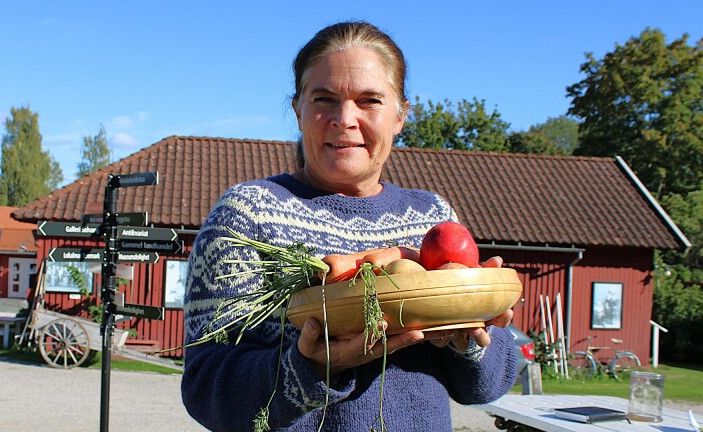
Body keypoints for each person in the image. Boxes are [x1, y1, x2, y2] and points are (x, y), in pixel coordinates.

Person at [181, 21, 516, 431]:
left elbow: (486, 387)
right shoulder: (249, 214)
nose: (345, 119)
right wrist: (311, 369)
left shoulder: (432, 217)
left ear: (400, 115)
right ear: (297, 110)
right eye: (324, 98)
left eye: (369, 100)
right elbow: (206, 387)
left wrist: (471, 338)